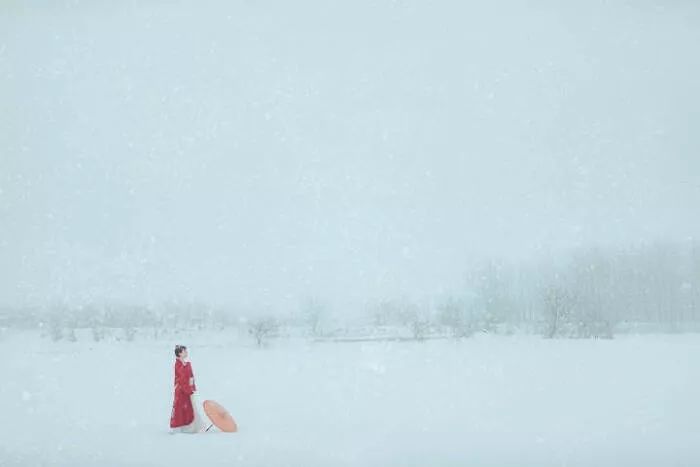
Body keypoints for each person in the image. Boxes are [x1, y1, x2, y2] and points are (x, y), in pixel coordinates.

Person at [169, 345, 206, 433]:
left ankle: (193, 427)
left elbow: (191, 377)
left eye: (186, 351)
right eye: (184, 351)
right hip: (182, 391)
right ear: (179, 353)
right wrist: (187, 389)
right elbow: (181, 379)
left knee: (191, 408)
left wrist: (191, 387)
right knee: (182, 410)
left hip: (187, 389)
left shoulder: (186, 364)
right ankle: (185, 428)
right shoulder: (178, 365)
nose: (186, 352)